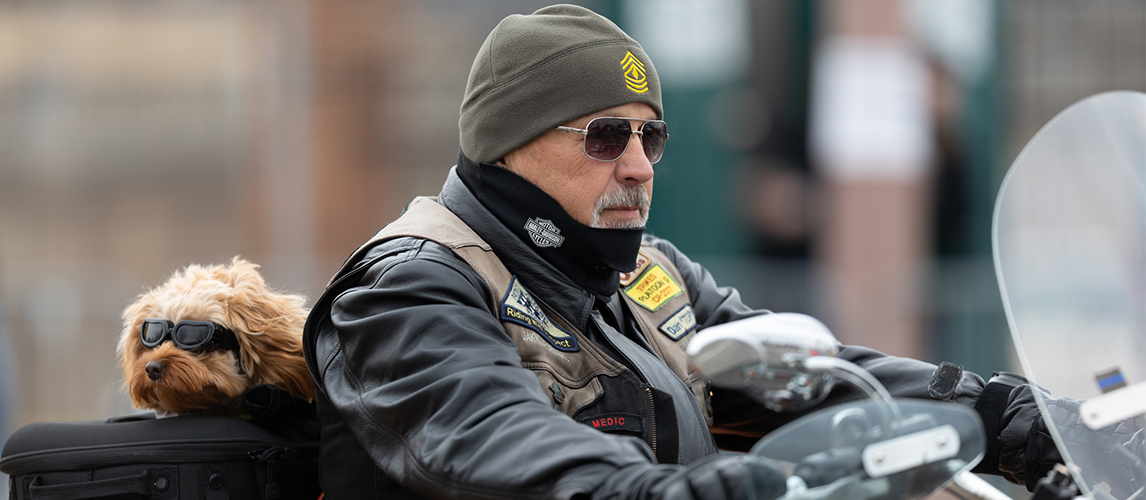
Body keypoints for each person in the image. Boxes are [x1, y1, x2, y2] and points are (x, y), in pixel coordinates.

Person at [302, 5, 1060, 499]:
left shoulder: (643, 277)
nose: (637, 165)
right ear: (509, 145)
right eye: (605, 136)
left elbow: (806, 378)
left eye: (650, 137)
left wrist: (1008, 414)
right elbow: (504, 448)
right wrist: (710, 490)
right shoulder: (410, 290)